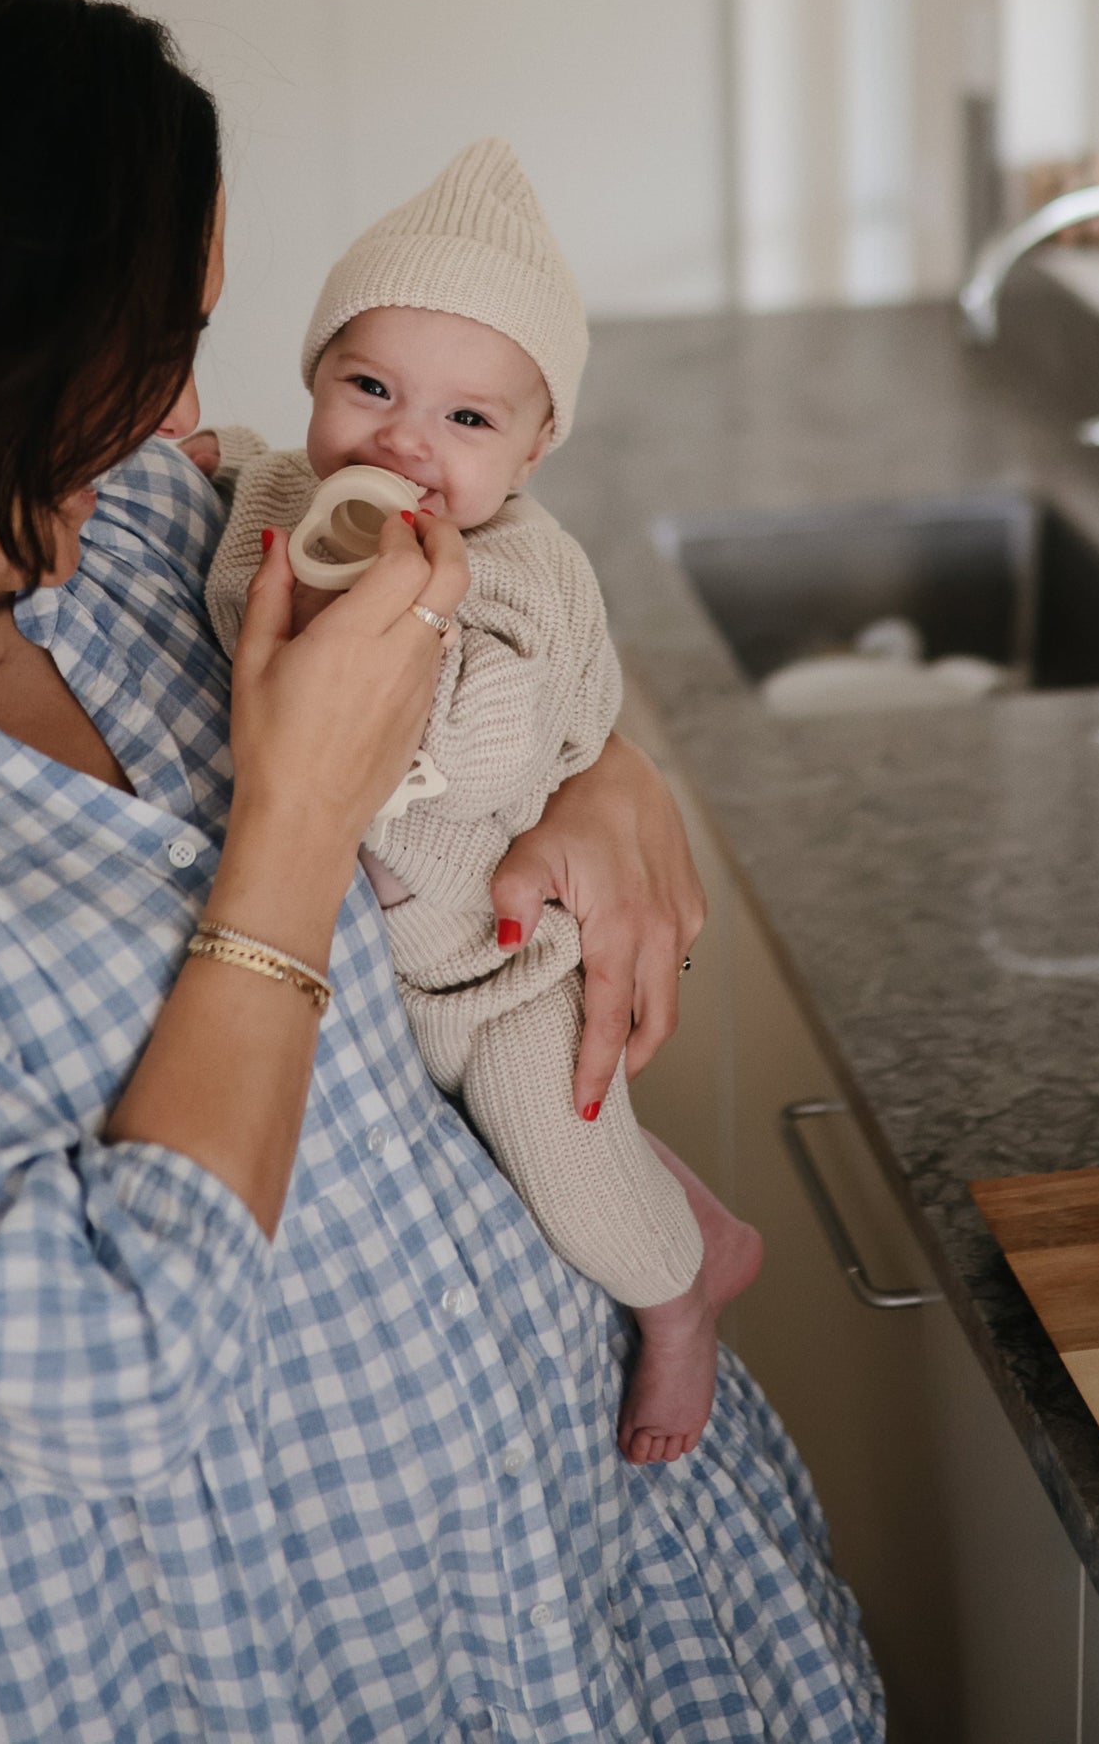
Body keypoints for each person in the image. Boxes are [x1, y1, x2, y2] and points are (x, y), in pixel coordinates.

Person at [0, 0, 882, 1740]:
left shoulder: (120, 534)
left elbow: (466, 651)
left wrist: (605, 776)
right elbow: (113, 1372)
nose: (185, 413)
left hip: (535, 1490)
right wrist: (296, 819)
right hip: (219, 1645)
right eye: (157, 348)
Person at [198, 139, 762, 1468]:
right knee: (521, 1165)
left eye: (468, 420)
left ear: (535, 444)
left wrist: (418, 619)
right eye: (369, 388)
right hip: (362, 990)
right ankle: (678, 1211)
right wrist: (217, 465)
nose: (403, 440)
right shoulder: (286, 495)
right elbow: (232, 495)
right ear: (316, 381)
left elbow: (504, 757)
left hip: (497, 978)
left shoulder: (518, 569)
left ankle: (682, 1291)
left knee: (566, 1162)